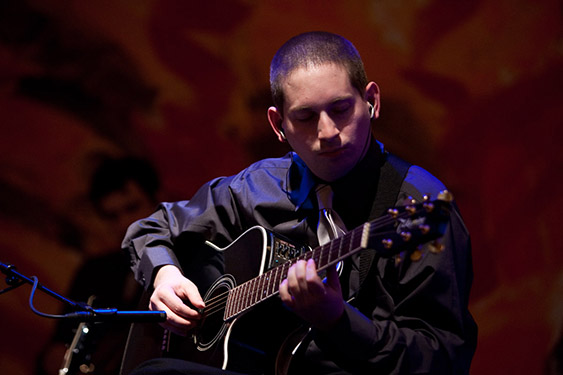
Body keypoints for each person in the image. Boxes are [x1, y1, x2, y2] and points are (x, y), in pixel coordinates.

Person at [122, 31, 477, 374]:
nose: (327, 132)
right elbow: (153, 226)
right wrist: (164, 275)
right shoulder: (259, 186)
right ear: (278, 125)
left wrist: (337, 320)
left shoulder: (418, 202)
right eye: (305, 117)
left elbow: (443, 359)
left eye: (340, 109)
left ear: (372, 101)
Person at [37, 156, 161, 375]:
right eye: (111, 216)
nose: (124, 224)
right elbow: (58, 345)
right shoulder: (94, 270)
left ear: (157, 201)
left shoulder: (190, 257)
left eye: (132, 208)